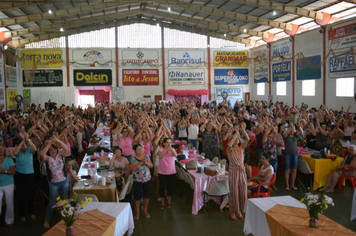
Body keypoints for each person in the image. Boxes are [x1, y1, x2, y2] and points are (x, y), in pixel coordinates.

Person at [41, 135, 69, 229]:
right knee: (53, 202)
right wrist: (49, 143)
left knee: (64, 201)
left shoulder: (60, 155)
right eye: (51, 150)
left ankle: (65, 218)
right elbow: (42, 154)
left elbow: (65, 148)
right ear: (49, 151)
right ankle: (46, 219)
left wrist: (57, 140)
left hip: (64, 182)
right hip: (53, 183)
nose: (53, 151)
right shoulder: (47, 159)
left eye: (54, 149)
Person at [226, 123, 249, 221]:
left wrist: (243, 130)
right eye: (235, 138)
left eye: (238, 138)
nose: (237, 139)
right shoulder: (230, 149)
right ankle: (232, 212)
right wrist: (236, 133)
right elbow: (229, 144)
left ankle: (239, 210)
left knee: (243, 192)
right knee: (234, 192)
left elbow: (247, 139)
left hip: (241, 170)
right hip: (233, 171)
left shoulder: (241, 148)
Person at [14, 132, 37, 223]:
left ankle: (31, 212)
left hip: (30, 174)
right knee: (20, 194)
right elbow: (15, 152)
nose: (23, 147)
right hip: (19, 174)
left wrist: (27, 140)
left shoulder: (29, 149)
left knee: (30, 194)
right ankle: (22, 214)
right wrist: (21, 141)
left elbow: (34, 148)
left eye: (24, 145)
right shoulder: (18, 151)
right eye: (22, 146)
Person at [131, 144, 153, 220]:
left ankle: (145, 210)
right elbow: (134, 168)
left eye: (141, 149)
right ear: (135, 151)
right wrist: (141, 162)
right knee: (137, 197)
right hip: (137, 180)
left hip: (147, 179)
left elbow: (151, 166)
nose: (140, 150)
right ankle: (137, 212)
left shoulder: (146, 156)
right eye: (138, 149)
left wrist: (146, 162)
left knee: (147, 196)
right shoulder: (133, 158)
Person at [157, 138, 177, 210]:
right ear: (164, 143)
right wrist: (165, 149)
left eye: (170, 142)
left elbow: (175, 155)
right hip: (162, 172)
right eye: (167, 143)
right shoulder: (160, 149)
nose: (169, 144)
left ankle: (169, 201)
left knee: (170, 187)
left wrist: (170, 148)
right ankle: (162, 202)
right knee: (162, 187)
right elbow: (160, 155)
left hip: (171, 172)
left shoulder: (172, 150)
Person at [283, 122, 303, 190]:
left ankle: (293, 184)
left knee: (294, 170)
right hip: (287, 154)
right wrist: (290, 127)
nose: (292, 131)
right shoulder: (286, 135)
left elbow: (301, 132)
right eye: (291, 129)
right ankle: (287, 184)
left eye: (293, 129)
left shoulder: (295, 135)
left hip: (295, 154)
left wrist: (299, 126)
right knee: (287, 170)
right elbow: (284, 134)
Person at [0, 145, 15, 227]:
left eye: (2, 148)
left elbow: (13, 172)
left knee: (9, 203)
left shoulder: (9, 159)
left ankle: (9, 221)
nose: (1, 150)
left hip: (8, 183)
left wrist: (4, 171)